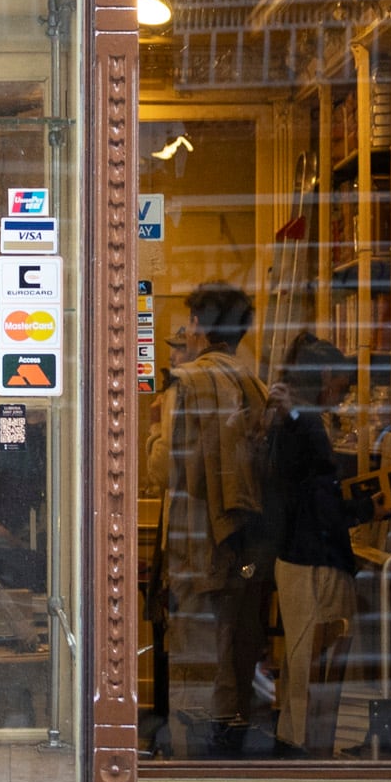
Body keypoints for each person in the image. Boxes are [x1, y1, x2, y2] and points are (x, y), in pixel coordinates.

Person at [139, 281, 275, 755]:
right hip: (244, 544)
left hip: (193, 547)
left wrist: (155, 429)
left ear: (198, 326)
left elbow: (162, 472)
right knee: (233, 652)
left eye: (189, 323)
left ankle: (192, 757)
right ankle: (228, 745)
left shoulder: (188, 383)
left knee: (193, 664)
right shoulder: (253, 383)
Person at [265, 335, 361, 755]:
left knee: (299, 662)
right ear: (324, 376)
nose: (342, 398)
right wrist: (363, 510)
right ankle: (311, 753)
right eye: (341, 386)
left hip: (293, 556)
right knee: (317, 663)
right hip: (315, 561)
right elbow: (320, 504)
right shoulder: (307, 424)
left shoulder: (289, 420)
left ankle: (295, 742)